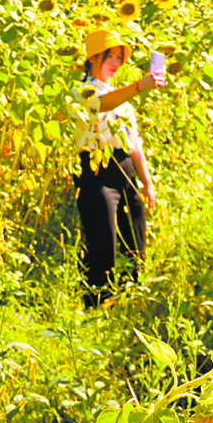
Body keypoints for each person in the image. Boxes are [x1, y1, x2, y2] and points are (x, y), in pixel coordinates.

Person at [71, 23, 162, 308]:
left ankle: (130, 299)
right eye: (109, 56)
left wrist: (147, 181)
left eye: (119, 58)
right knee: (103, 239)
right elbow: (102, 104)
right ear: (92, 58)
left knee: (135, 236)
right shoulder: (82, 91)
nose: (115, 63)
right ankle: (95, 303)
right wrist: (137, 87)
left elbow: (135, 143)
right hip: (95, 171)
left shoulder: (123, 100)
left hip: (125, 169)